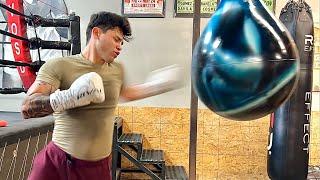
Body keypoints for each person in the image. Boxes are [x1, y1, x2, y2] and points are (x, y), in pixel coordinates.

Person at [21, 11, 183, 180]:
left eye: (122, 42)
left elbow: (126, 93)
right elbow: (26, 108)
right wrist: (69, 97)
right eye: (116, 39)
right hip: (58, 162)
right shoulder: (60, 66)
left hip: (97, 168)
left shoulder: (117, 70)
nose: (120, 46)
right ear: (97, 33)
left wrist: (158, 85)